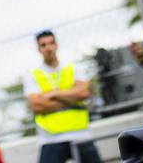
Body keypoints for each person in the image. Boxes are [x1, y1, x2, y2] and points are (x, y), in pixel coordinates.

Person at [23, 30, 101, 163]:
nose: (48, 48)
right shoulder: (32, 74)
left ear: (57, 45)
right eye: (43, 45)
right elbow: (36, 105)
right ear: (39, 49)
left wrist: (53, 94)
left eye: (51, 43)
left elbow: (84, 93)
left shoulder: (73, 67)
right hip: (51, 138)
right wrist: (72, 97)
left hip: (81, 134)